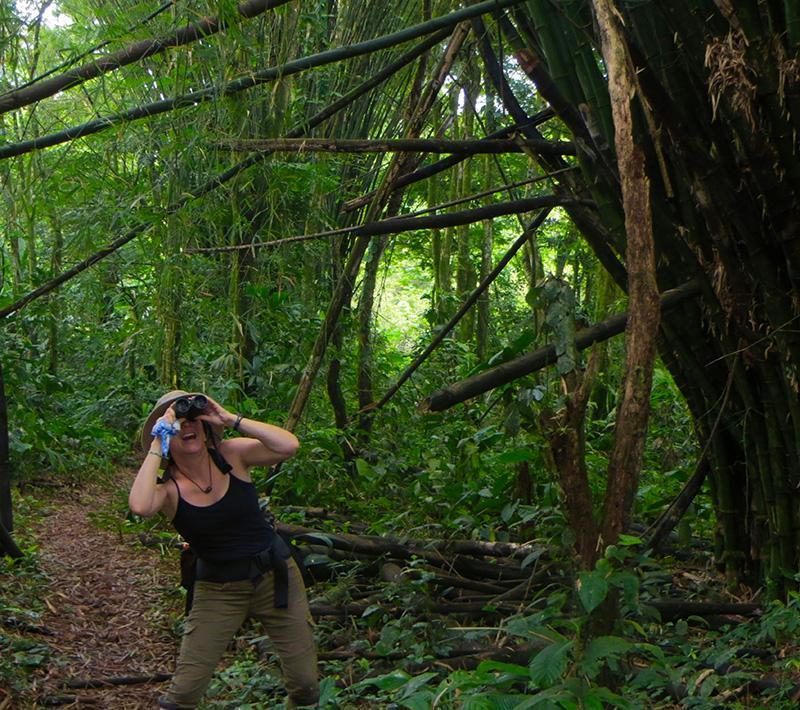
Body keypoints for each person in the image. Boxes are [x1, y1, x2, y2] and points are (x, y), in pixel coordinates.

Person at [129, 390, 319, 709]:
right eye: (177, 423)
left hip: (274, 575)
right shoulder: (168, 489)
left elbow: (289, 446)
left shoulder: (232, 454)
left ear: (205, 429)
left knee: (305, 685)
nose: (187, 426)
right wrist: (156, 443)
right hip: (218, 589)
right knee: (184, 693)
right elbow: (140, 506)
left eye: (193, 419)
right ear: (165, 438)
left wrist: (231, 419)